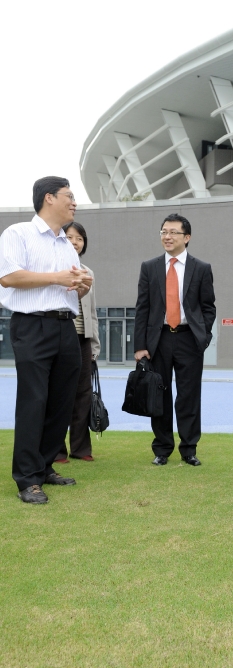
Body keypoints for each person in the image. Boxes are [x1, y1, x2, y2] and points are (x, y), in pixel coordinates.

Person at [0, 177, 92, 504]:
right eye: (69, 196)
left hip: (67, 326)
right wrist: (57, 277)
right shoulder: (17, 234)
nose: (74, 202)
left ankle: (45, 465)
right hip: (32, 326)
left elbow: (72, 286)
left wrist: (83, 284)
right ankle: (27, 478)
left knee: (61, 401)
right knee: (34, 401)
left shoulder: (66, 244)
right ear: (49, 198)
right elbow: (9, 276)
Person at [134, 213, 216, 466]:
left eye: (173, 232)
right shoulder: (149, 267)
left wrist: (203, 336)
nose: (167, 237)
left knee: (189, 396)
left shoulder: (201, 268)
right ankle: (162, 449)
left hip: (188, 339)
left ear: (187, 237)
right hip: (157, 340)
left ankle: (189, 449)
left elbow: (208, 307)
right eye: (163, 232)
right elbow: (142, 308)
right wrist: (140, 346)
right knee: (159, 395)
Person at [55, 222, 100, 463]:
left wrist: (94, 346)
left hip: (82, 339)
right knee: (59, 393)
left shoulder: (88, 272)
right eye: (70, 237)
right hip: (61, 337)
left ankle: (81, 448)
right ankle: (57, 450)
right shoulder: (54, 269)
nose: (75, 242)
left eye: (80, 238)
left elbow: (91, 313)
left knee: (83, 394)